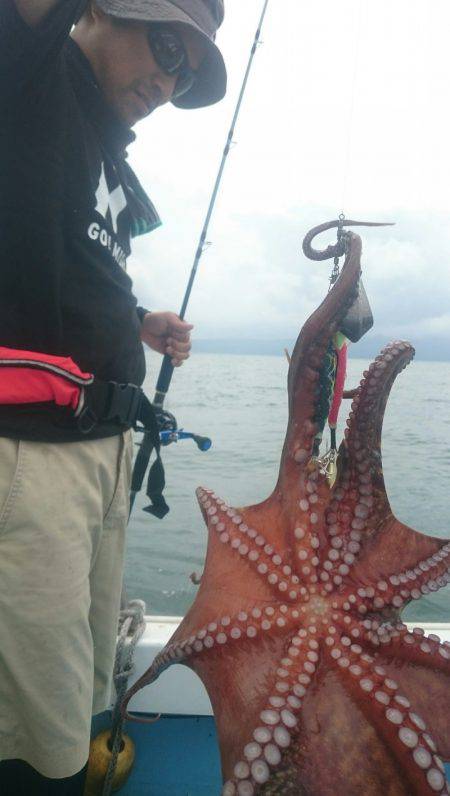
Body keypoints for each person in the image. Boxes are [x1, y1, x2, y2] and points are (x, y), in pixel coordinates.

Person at [0, 1, 226, 793]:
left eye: (189, 71)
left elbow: (44, 263)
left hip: (99, 458)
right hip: (31, 460)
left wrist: (136, 321)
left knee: (78, 685)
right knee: (34, 721)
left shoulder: (102, 147)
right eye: (167, 47)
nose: (170, 81)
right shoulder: (25, 74)